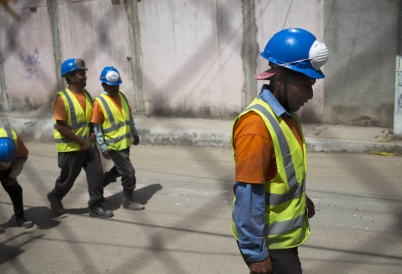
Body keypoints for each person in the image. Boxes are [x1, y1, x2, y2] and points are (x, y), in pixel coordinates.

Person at [231, 28, 329, 274]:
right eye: (305, 85)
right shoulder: (256, 125)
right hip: (268, 242)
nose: (310, 94)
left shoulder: (286, 115)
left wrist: (300, 200)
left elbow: (281, 173)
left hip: (281, 238)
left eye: (312, 85)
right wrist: (256, 254)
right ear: (280, 78)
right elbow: (248, 195)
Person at [47, 58, 113, 219]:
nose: (84, 76)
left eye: (84, 73)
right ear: (69, 77)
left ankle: (96, 206)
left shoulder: (86, 95)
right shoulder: (62, 99)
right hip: (71, 148)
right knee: (68, 180)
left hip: (88, 146)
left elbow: (89, 118)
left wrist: (91, 131)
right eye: (80, 74)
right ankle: (55, 196)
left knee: (96, 175)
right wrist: (81, 141)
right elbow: (61, 127)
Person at [91, 66, 144, 210]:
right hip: (113, 145)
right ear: (103, 85)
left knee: (119, 169)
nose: (114, 89)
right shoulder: (99, 102)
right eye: (111, 86)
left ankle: (98, 186)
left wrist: (134, 133)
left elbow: (129, 117)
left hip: (125, 142)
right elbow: (97, 127)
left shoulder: (121, 95)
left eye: (116, 85)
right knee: (128, 172)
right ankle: (128, 201)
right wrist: (103, 147)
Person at [0, 128, 33, 234]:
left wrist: (12, 176)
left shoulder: (16, 141)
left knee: (15, 190)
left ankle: (21, 218)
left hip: (9, 166)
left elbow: (22, 158)